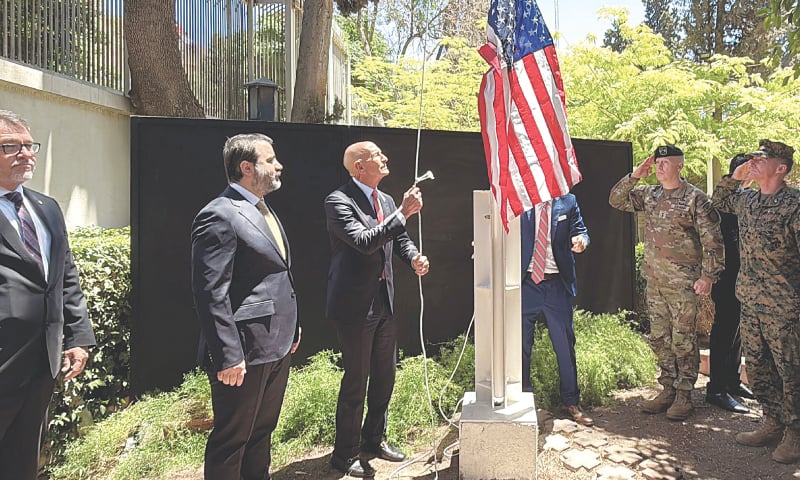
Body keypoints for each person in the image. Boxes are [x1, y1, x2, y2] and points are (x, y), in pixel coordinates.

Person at [191, 133, 301, 480]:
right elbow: (211, 292)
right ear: (247, 167)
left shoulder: (262, 208)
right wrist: (228, 355)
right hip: (244, 351)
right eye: (270, 160)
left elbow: (275, 275)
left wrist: (291, 327)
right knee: (232, 440)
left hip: (275, 344)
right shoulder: (219, 214)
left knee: (261, 433)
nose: (278, 166)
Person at [0, 110, 96, 480]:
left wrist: (78, 337)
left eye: (30, 146)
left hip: (42, 361)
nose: (26, 154)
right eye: (11, 146)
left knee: (23, 458)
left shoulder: (46, 208)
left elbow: (64, 275)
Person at [325, 141, 430, 478]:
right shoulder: (338, 201)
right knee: (356, 381)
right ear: (359, 167)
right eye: (376, 156)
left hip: (384, 300)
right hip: (355, 306)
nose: (385, 158)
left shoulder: (384, 200)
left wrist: (413, 257)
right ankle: (344, 455)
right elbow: (365, 242)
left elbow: (398, 239)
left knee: (385, 376)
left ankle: (374, 439)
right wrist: (403, 212)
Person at [609, 145, 724, 421]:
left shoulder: (695, 199)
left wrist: (708, 277)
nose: (659, 167)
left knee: (683, 339)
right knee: (660, 338)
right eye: (657, 163)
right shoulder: (650, 195)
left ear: (679, 166)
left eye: (665, 163)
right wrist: (635, 175)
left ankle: (684, 395)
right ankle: (668, 388)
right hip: (655, 281)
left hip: (683, 284)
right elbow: (616, 200)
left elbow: (713, 241)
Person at [712, 139, 800, 464]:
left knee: (791, 372)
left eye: (763, 158)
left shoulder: (794, 204)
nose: (755, 162)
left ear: (781, 168)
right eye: (755, 157)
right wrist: (735, 177)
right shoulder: (748, 200)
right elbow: (719, 201)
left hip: (784, 308)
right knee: (760, 368)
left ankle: (796, 433)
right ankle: (772, 422)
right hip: (749, 302)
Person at [521, 194, 592, 427]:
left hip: (556, 285)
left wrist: (581, 240)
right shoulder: (522, 199)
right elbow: (503, 230)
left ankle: (571, 402)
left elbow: (582, 231)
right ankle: (524, 400)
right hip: (526, 283)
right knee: (521, 345)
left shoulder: (568, 202)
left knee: (564, 345)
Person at [705, 153, 755, 414]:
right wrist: (734, 180)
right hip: (726, 276)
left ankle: (732, 382)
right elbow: (718, 203)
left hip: (745, 278)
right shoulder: (724, 200)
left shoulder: (749, 199)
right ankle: (716, 389)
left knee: (737, 331)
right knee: (724, 330)